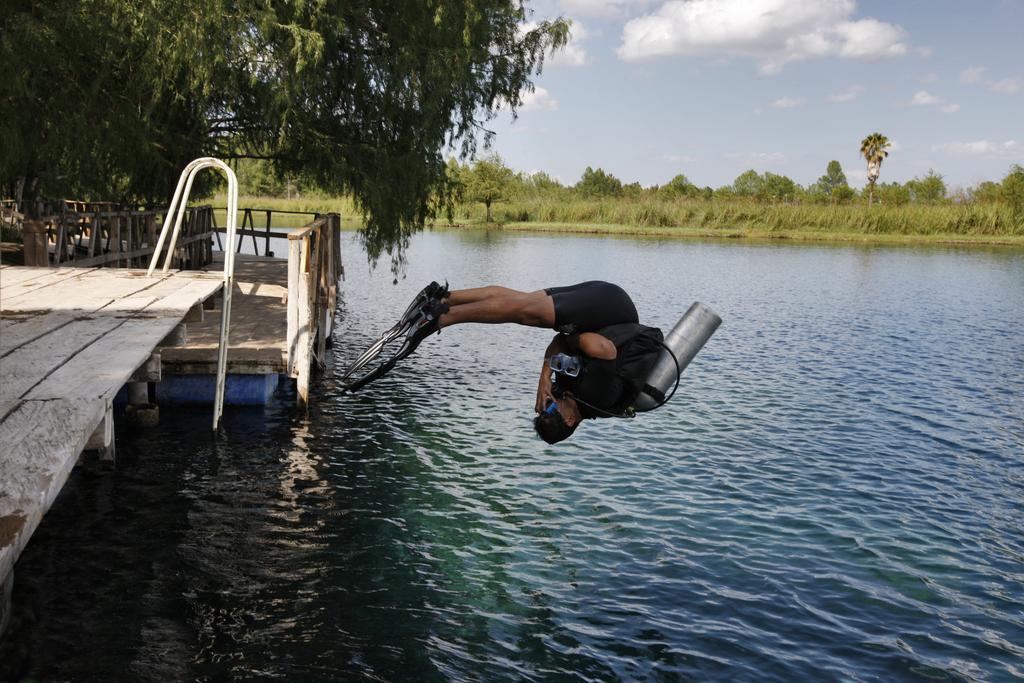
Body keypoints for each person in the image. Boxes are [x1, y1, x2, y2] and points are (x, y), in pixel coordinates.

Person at [413, 281, 664, 444]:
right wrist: (571, 339)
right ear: (570, 421)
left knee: (520, 305)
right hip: (614, 310)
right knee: (525, 314)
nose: (550, 403)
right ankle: (442, 318)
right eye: (552, 410)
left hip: (607, 310)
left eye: (546, 408)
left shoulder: (568, 393)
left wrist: (544, 377)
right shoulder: (594, 398)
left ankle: (443, 299)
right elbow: (602, 348)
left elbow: (559, 343)